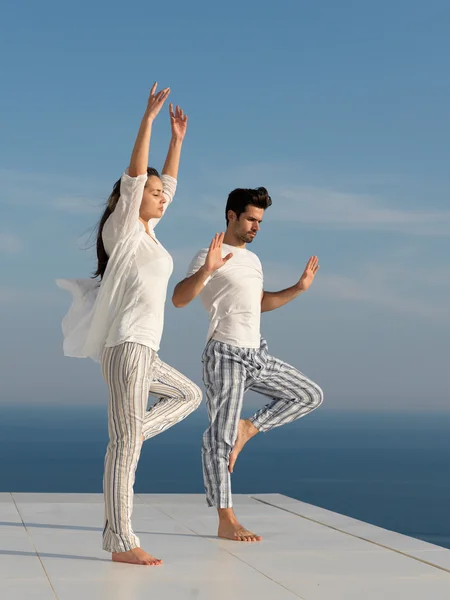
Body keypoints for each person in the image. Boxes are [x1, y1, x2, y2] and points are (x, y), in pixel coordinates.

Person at [57, 83, 201, 565]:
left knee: (187, 396)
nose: (161, 198)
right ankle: (121, 542)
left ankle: (129, 432)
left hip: (144, 350)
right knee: (125, 450)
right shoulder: (122, 231)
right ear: (132, 198)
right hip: (127, 346)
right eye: (153, 193)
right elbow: (137, 177)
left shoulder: (149, 235)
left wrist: (177, 142)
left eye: (162, 194)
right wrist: (148, 120)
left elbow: (167, 186)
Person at [172, 186, 323, 542]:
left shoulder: (253, 261)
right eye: (251, 219)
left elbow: (258, 303)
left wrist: (299, 288)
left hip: (257, 353)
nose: (256, 226)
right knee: (218, 438)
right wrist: (206, 270)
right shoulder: (209, 254)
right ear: (232, 216)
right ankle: (226, 518)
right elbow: (179, 298)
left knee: (309, 395)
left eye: (260, 221)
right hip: (225, 354)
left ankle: (249, 429)